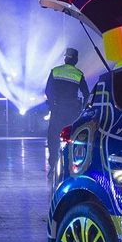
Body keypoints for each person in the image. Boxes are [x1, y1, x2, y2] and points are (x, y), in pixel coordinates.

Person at [44, 48, 89, 179]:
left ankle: (53, 167)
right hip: (72, 112)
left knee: (53, 138)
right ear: (75, 59)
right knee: (71, 139)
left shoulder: (55, 71)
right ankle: (70, 168)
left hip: (57, 110)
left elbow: (48, 90)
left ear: (65, 58)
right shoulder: (79, 74)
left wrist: (53, 104)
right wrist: (83, 108)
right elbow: (86, 95)